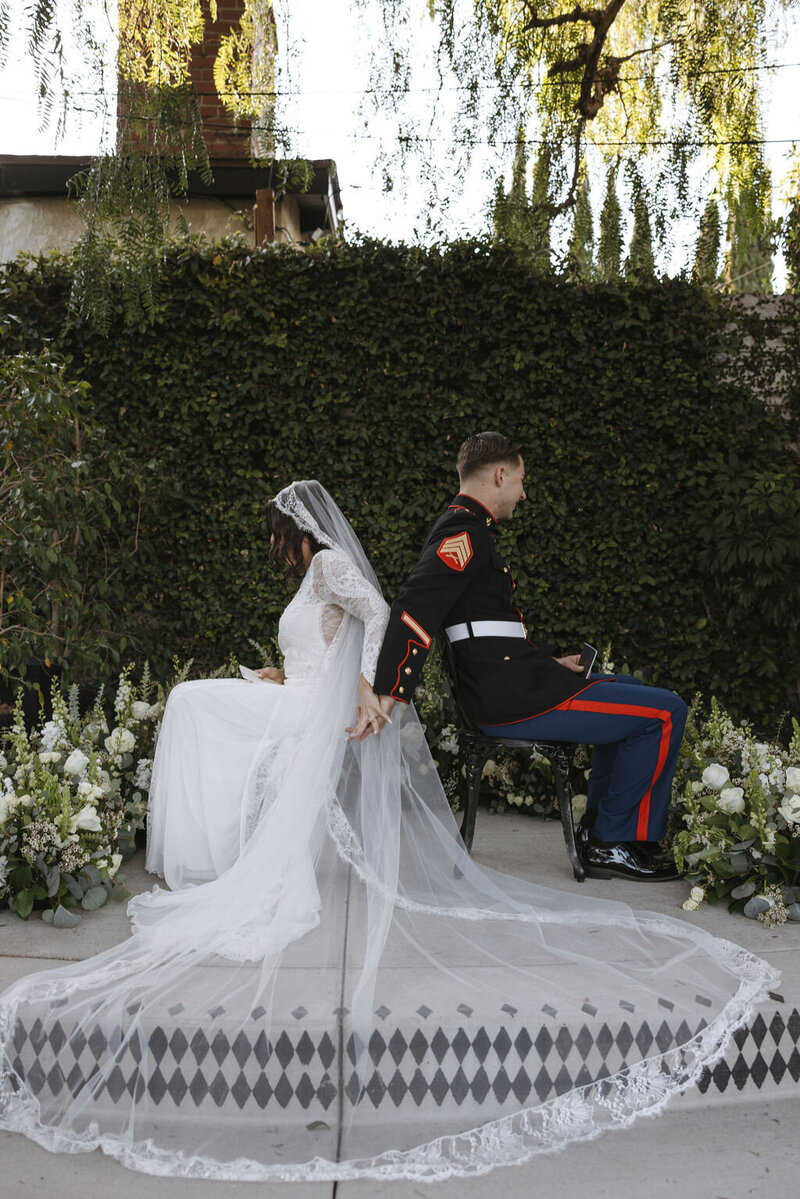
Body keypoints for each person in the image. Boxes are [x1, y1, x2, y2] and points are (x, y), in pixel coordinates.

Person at [0, 480, 775, 1182]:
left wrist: (369, 692)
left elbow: (379, 614)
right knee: (193, 702)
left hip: (325, 708)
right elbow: (318, 642)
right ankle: (216, 850)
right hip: (299, 694)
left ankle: (215, 854)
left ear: (295, 528)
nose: (275, 545)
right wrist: (285, 674)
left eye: (276, 532)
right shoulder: (317, 572)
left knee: (192, 706)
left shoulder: (333, 562)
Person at [372, 431, 687, 882]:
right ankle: (613, 844)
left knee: (634, 691)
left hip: (517, 686)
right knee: (666, 712)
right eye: (520, 479)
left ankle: (602, 830)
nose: (523, 491)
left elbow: (485, 635)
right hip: (510, 701)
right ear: (500, 475)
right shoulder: (462, 534)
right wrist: (391, 691)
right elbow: (413, 609)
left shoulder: (471, 530)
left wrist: (549, 663)